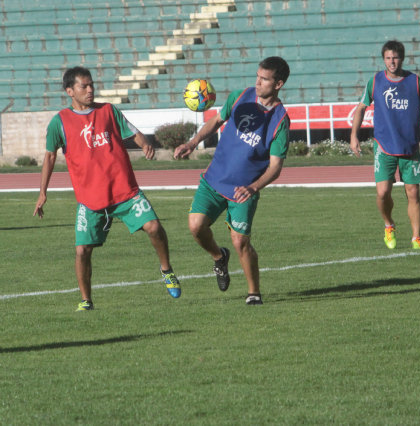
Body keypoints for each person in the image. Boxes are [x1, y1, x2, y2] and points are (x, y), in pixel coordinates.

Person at [33, 66, 181, 311]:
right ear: (70, 91)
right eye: (84, 86)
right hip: (90, 199)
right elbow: (49, 157)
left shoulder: (108, 111)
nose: (90, 90)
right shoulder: (59, 122)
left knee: (154, 227)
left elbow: (132, 132)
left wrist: (145, 144)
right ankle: (86, 300)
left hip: (125, 192)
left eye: (92, 85)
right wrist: (42, 193)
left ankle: (166, 270)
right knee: (82, 251)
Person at [174, 56, 290, 305]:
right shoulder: (240, 96)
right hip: (214, 180)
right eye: (257, 76)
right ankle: (218, 257)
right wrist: (192, 143)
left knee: (240, 242)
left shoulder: (280, 119)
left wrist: (253, 187)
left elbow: (276, 167)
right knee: (195, 226)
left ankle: (254, 293)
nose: (257, 83)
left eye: (264, 79)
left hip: (243, 190)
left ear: (278, 84)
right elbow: (216, 121)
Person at [350, 40, 420, 250]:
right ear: (383, 59)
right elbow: (360, 108)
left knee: (413, 193)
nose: (392, 62)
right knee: (383, 193)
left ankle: (416, 238)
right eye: (388, 58)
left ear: (402, 58)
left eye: (395, 57)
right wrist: (354, 135)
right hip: (383, 146)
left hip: (409, 147)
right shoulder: (375, 81)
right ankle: (389, 225)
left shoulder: (414, 82)